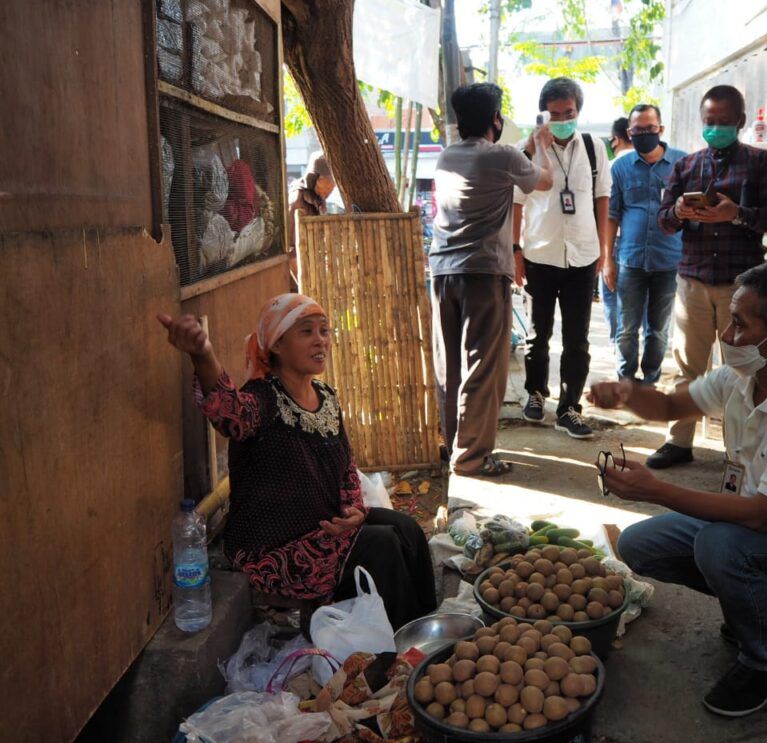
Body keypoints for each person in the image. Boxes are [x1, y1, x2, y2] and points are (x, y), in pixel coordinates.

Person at [588, 261, 767, 717]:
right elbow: (667, 405)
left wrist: (655, 489)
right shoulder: (742, 376)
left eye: (739, 324)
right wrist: (625, 394)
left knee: (720, 545)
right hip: (757, 532)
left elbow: (759, 514)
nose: (726, 335)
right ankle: (759, 609)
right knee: (641, 545)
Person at [156, 295, 437, 632]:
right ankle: (403, 651)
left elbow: (346, 466)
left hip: (327, 526)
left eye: (324, 331)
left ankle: (429, 630)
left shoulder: (327, 397)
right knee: (383, 547)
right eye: (306, 332)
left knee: (406, 529)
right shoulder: (263, 398)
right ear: (276, 345)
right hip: (276, 548)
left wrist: (354, 510)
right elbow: (229, 413)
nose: (320, 340)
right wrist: (202, 354)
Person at [648, 85, 767, 469]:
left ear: (740, 122)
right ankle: (679, 441)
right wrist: (678, 211)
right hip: (692, 281)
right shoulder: (686, 166)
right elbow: (663, 222)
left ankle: (740, 449)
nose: (716, 128)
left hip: (741, 286)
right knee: (687, 366)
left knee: (743, 368)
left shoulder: (760, 163)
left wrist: (736, 213)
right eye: (710, 122)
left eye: (724, 122)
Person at [430, 83, 554, 476]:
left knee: (448, 367)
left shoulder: (448, 155)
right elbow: (544, 181)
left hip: (443, 273)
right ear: (495, 120)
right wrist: (543, 145)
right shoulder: (502, 155)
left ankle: (453, 448)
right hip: (483, 273)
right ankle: (472, 458)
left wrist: (527, 151)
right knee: (484, 368)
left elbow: (507, 169)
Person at [515, 77, 612, 439]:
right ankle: (536, 393)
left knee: (577, 338)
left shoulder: (593, 147)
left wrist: (603, 248)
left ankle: (570, 407)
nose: (562, 119)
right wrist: (515, 250)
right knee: (538, 334)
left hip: (583, 255)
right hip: (540, 253)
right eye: (554, 114)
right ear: (543, 114)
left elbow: (602, 196)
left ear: (578, 111)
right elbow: (516, 202)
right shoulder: (525, 151)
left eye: (568, 112)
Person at [605, 104, 686, 385]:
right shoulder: (621, 167)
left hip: (669, 260)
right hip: (631, 260)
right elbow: (612, 216)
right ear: (629, 132)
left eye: (649, 129)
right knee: (627, 327)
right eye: (637, 130)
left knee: (659, 328)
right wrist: (607, 260)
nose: (643, 134)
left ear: (660, 129)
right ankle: (625, 381)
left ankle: (650, 379)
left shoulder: (682, 164)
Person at [600, 116, 634, 343]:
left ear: (616, 140)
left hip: (612, 241)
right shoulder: (651, 164)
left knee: (612, 297)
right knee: (635, 299)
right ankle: (630, 343)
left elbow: (605, 213)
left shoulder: (611, 167)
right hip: (637, 241)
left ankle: (618, 344)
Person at [287, 151, 335, 287]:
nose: (333, 187)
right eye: (330, 182)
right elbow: (291, 253)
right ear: (317, 179)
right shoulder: (297, 200)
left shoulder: (319, 198)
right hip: (298, 283)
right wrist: (305, 287)